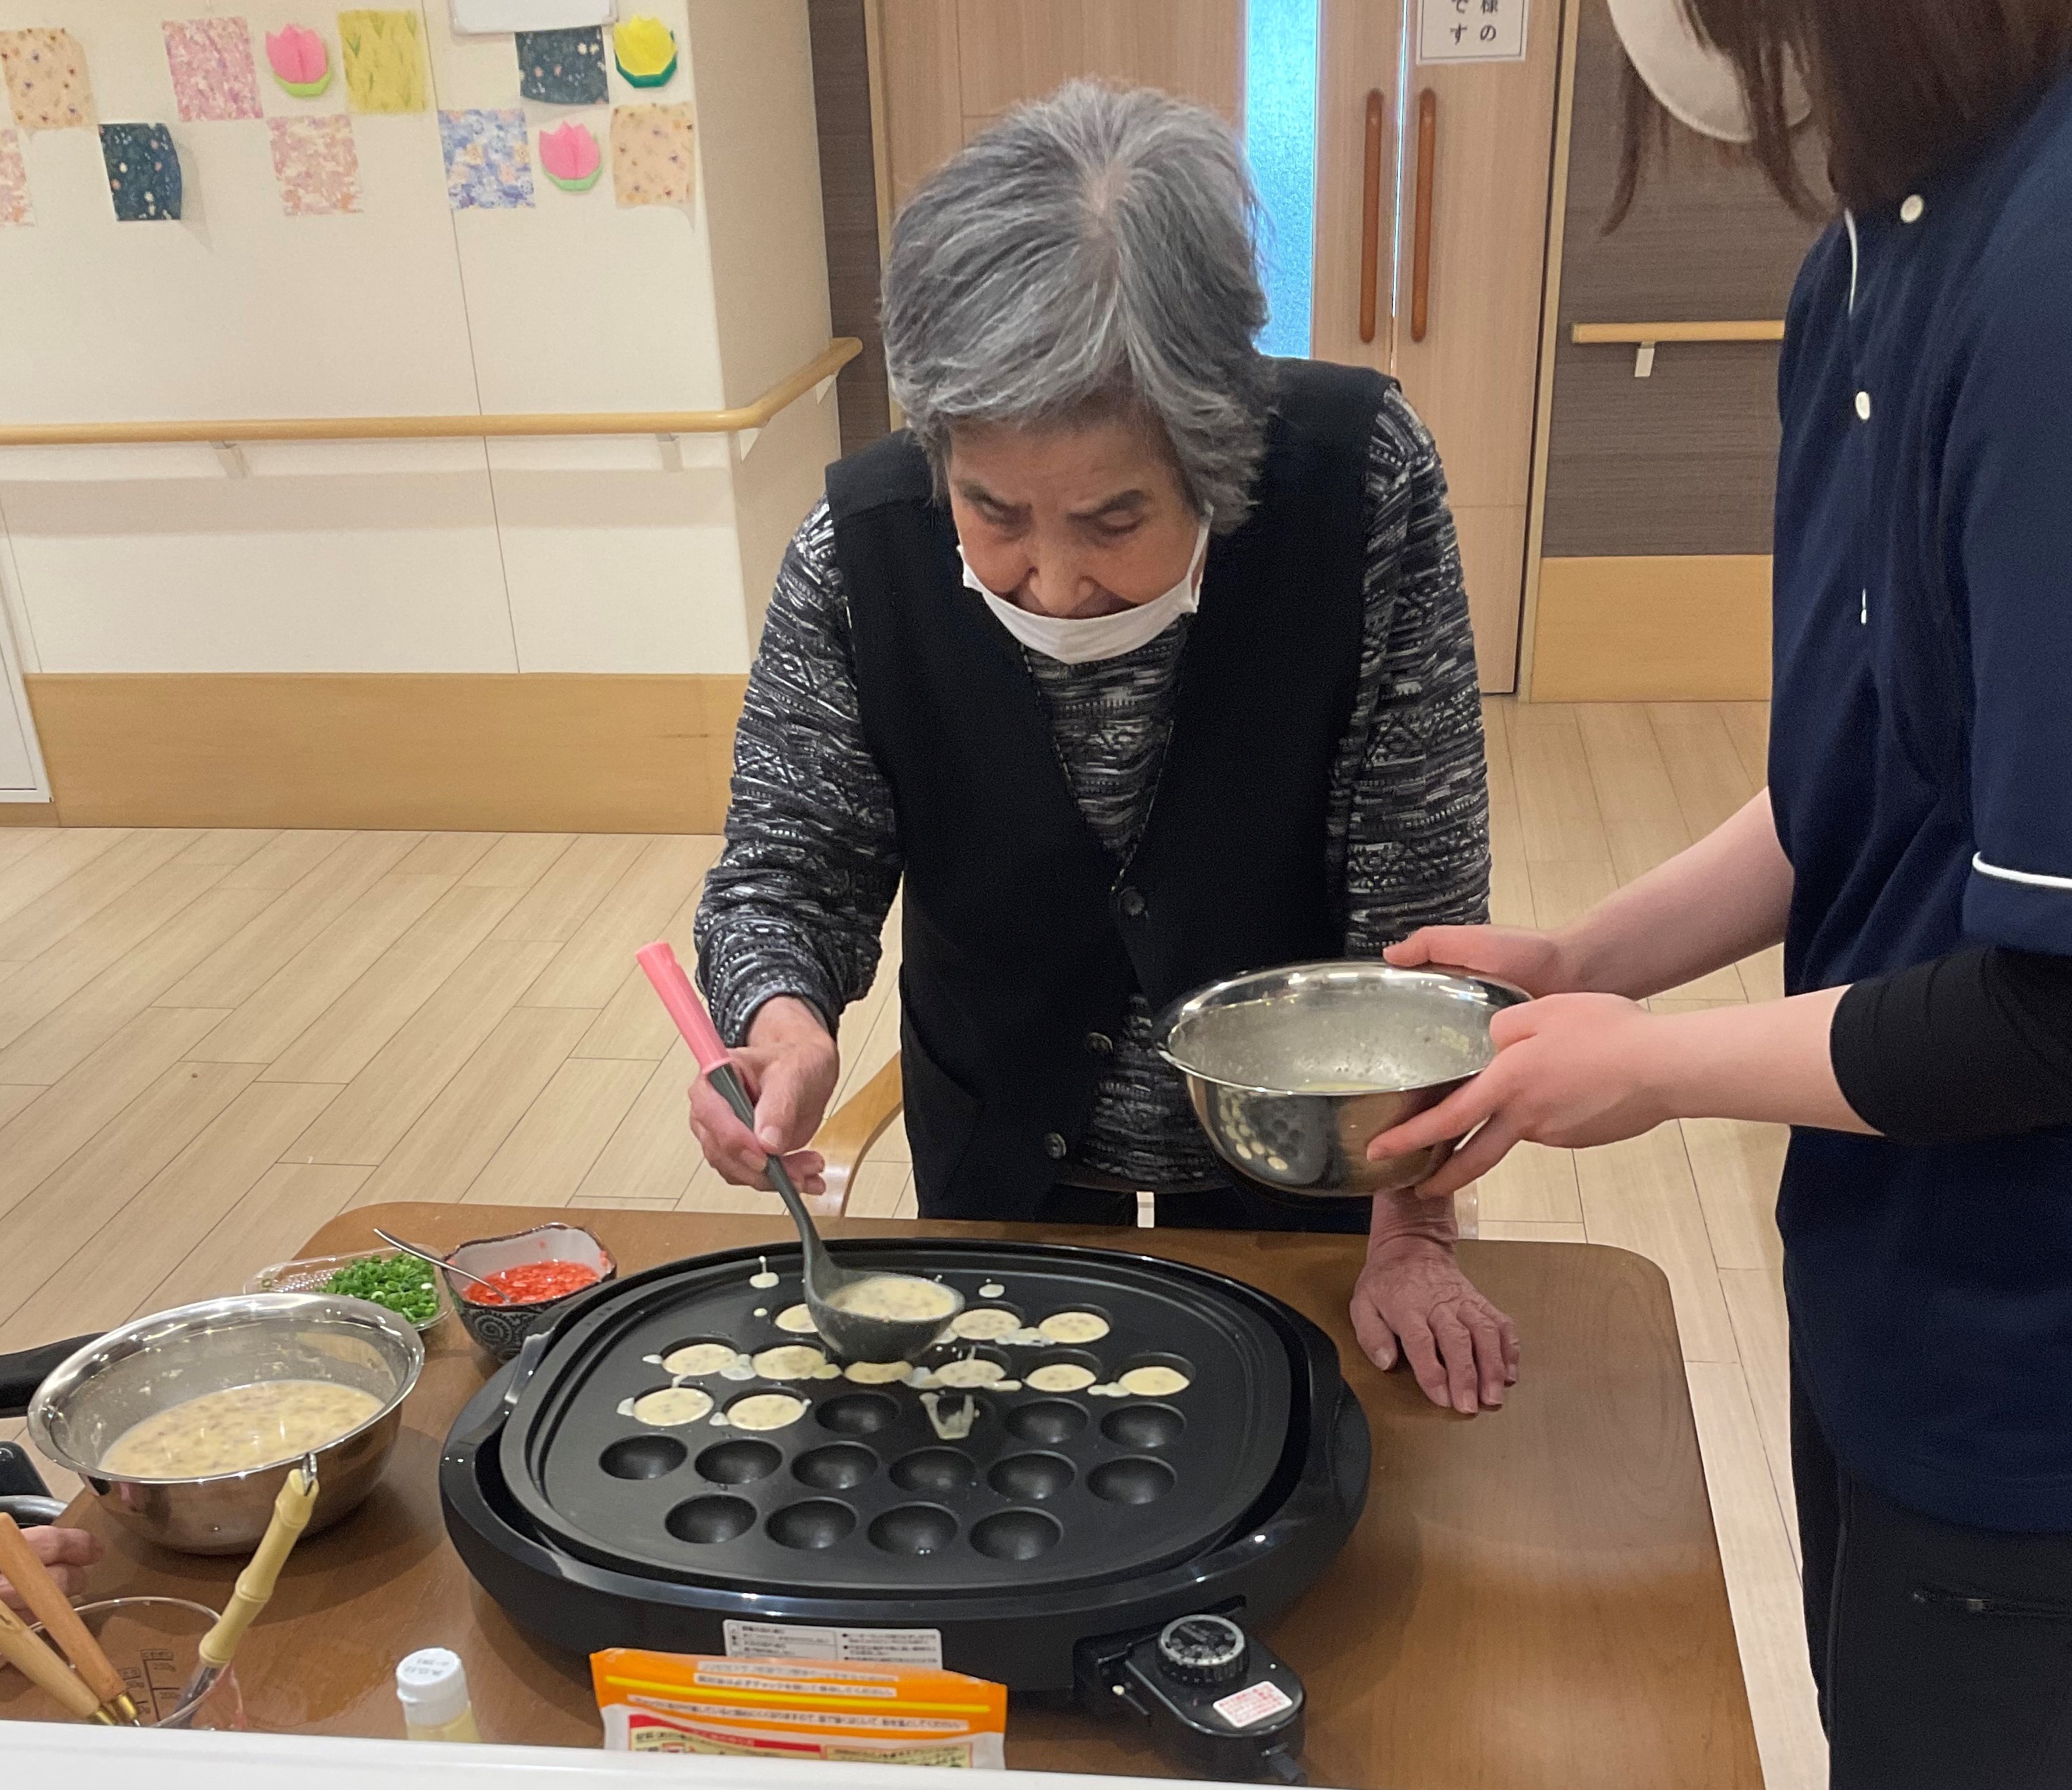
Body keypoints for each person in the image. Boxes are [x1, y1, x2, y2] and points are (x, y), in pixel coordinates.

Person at [1374, 2, 2072, 1782]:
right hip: (1882, 1268)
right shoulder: (1863, 260)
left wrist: (1660, 1066)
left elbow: (2055, 1004)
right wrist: (1587, 957)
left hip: (2027, 1363)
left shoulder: (2046, 286)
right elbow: (1871, 780)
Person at [691, 81, 1517, 1414]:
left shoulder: (1356, 487)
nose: (1051, 582)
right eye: (993, 510)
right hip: (1001, 1122)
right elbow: (787, 864)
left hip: (1312, 1143)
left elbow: (1415, 897)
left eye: (1114, 519)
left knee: (1292, 1450)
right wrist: (779, 1022)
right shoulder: (861, 549)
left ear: (1218, 449)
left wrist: (1412, 1230)